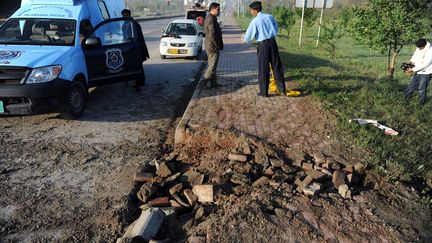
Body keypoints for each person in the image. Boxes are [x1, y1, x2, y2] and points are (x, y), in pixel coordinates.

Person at [241, 1, 286, 97]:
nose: (250, 12)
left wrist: (243, 38)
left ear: (255, 10)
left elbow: (248, 37)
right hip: (273, 43)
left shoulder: (255, 21)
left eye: (251, 10)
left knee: (263, 69)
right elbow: (276, 27)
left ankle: (264, 93)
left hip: (263, 46)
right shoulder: (270, 16)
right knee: (277, 66)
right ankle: (282, 90)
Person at [121, 9, 150, 91]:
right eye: (123, 15)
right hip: (128, 48)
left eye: (126, 15)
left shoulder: (134, 24)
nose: (124, 16)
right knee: (132, 66)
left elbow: (138, 37)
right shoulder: (125, 24)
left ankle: (139, 84)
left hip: (135, 48)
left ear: (129, 15)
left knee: (138, 66)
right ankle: (135, 83)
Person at [404, 38, 432, 105]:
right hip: (418, 71)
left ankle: (421, 103)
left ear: (424, 45)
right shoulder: (419, 47)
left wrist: (412, 70)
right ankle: (405, 98)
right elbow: (415, 55)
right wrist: (410, 62)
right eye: (418, 47)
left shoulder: (430, 50)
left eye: (420, 47)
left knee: (421, 88)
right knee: (412, 85)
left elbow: (425, 64)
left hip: (426, 72)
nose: (419, 48)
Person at [203, 2, 223, 88]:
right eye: (218, 9)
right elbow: (212, 34)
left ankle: (213, 83)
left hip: (210, 45)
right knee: (212, 66)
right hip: (212, 47)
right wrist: (217, 45)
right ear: (213, 9)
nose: (219, 11)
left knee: (212, 65)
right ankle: (203, 83)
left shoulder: (211, 17)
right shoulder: (211, 19)